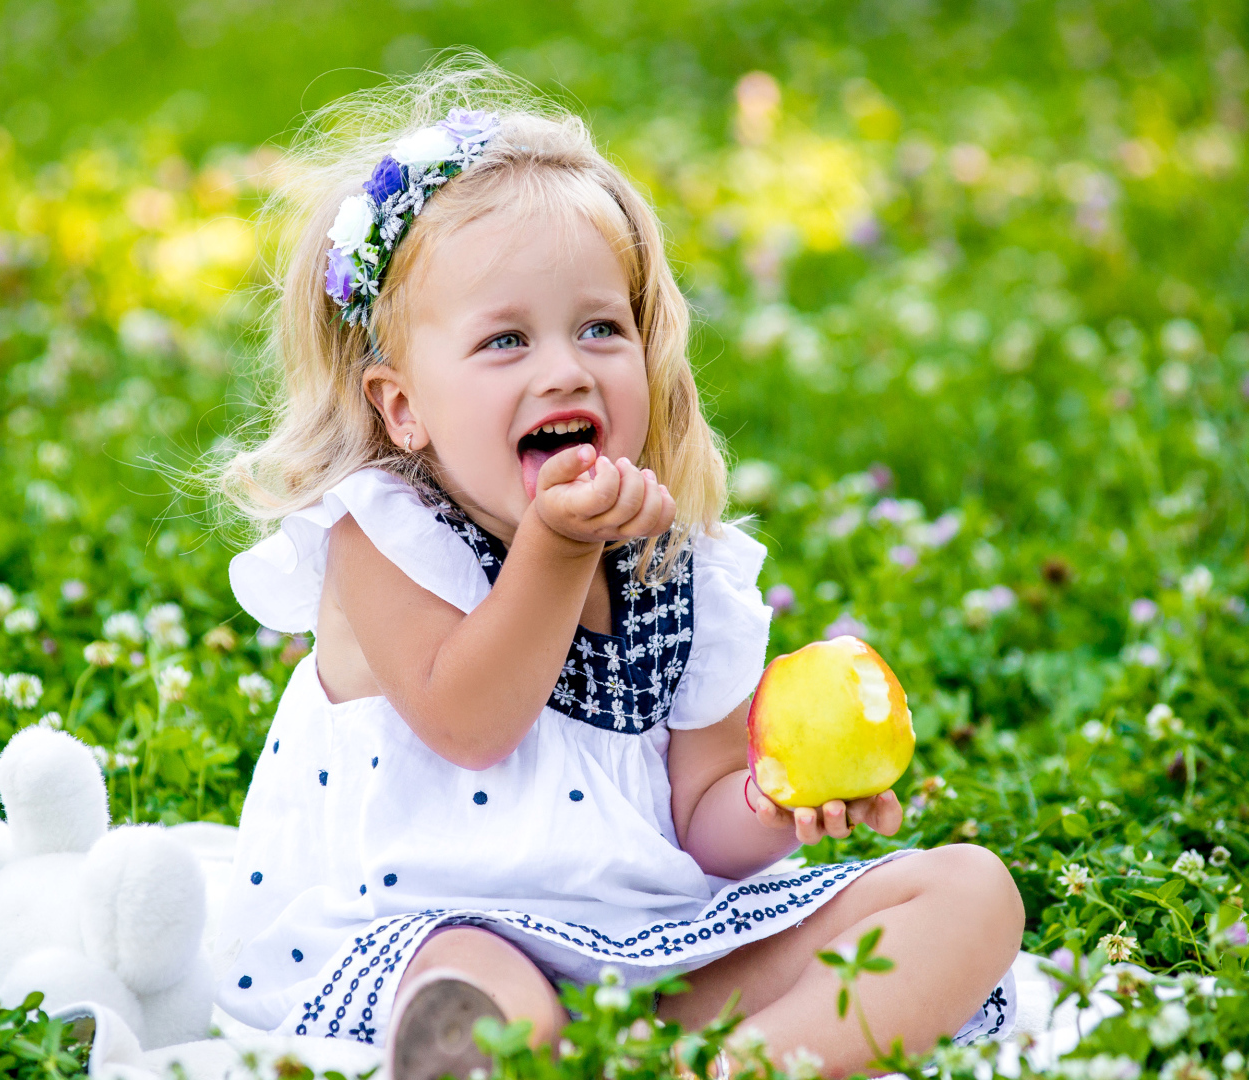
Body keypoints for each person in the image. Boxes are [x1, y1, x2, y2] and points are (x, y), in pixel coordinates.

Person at [212, 60, 1024, 1080]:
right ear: (401, 405)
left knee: (969, 893)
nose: (566, 366)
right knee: (469, 993)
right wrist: (556, 551)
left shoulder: (683, 565)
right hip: (440, 924)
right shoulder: (382, 532)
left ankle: (712, 1066)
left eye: (601, 327)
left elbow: (701, 823)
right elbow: (468, 723)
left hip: (659, 953)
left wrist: (775, 804)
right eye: (506, 339)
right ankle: (509, 1056)